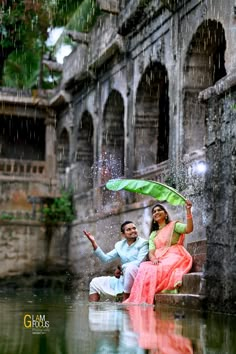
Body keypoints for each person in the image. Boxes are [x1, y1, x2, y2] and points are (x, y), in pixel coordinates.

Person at [124, 200, 193, 305]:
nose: (156, 212)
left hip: (175, 255)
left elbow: (189, 229)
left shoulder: (174, 225)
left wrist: (188, 211)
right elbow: (151, 251)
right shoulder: (153, 234)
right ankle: (143, 300)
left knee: (162, 267)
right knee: (145, 267)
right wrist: (153, 258)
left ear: (165, 214)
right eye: (154, 211)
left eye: (159, 210)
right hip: (158, 257)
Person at [83, 221, 149, 302]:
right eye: (129, 229)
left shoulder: (143, 243)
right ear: (123, 234)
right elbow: (105, 259)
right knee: (94, 282)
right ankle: (94, 309)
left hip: (138, 277)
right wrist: (93, 242)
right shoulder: (120, 245)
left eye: (134, 228)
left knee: (130, 268)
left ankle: (126, 299)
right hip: (123, 279)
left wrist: (121, 268)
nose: (133, 231)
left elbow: (139, 262)